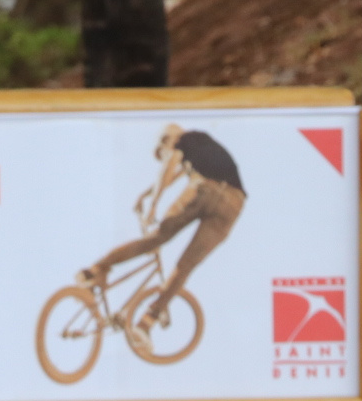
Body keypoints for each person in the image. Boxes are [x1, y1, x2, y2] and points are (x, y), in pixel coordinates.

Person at [79, 124, 245, 331]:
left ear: (167, 141)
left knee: (156, 239)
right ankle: (147, 322)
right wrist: (146, 195)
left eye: (163, 154)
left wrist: (153, 205)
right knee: (186, 266)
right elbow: (172, 176)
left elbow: (167, 171)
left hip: (205, 189)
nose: (166, 158)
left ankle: (96, 269)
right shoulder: (201, 145)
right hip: (233, 204)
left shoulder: (181, 140)